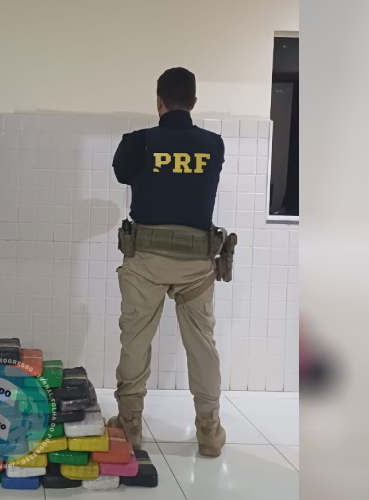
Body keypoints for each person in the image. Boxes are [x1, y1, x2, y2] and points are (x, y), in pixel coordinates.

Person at [108, 68, 229, 457]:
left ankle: (130, 425)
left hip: (146, 261)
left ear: (158, 101)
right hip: (197, 264)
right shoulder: (213, 144)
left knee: (135, 341)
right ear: (193, 102)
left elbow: (122, 173)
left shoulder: (138, 142)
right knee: (203, 346)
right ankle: (209, 430)